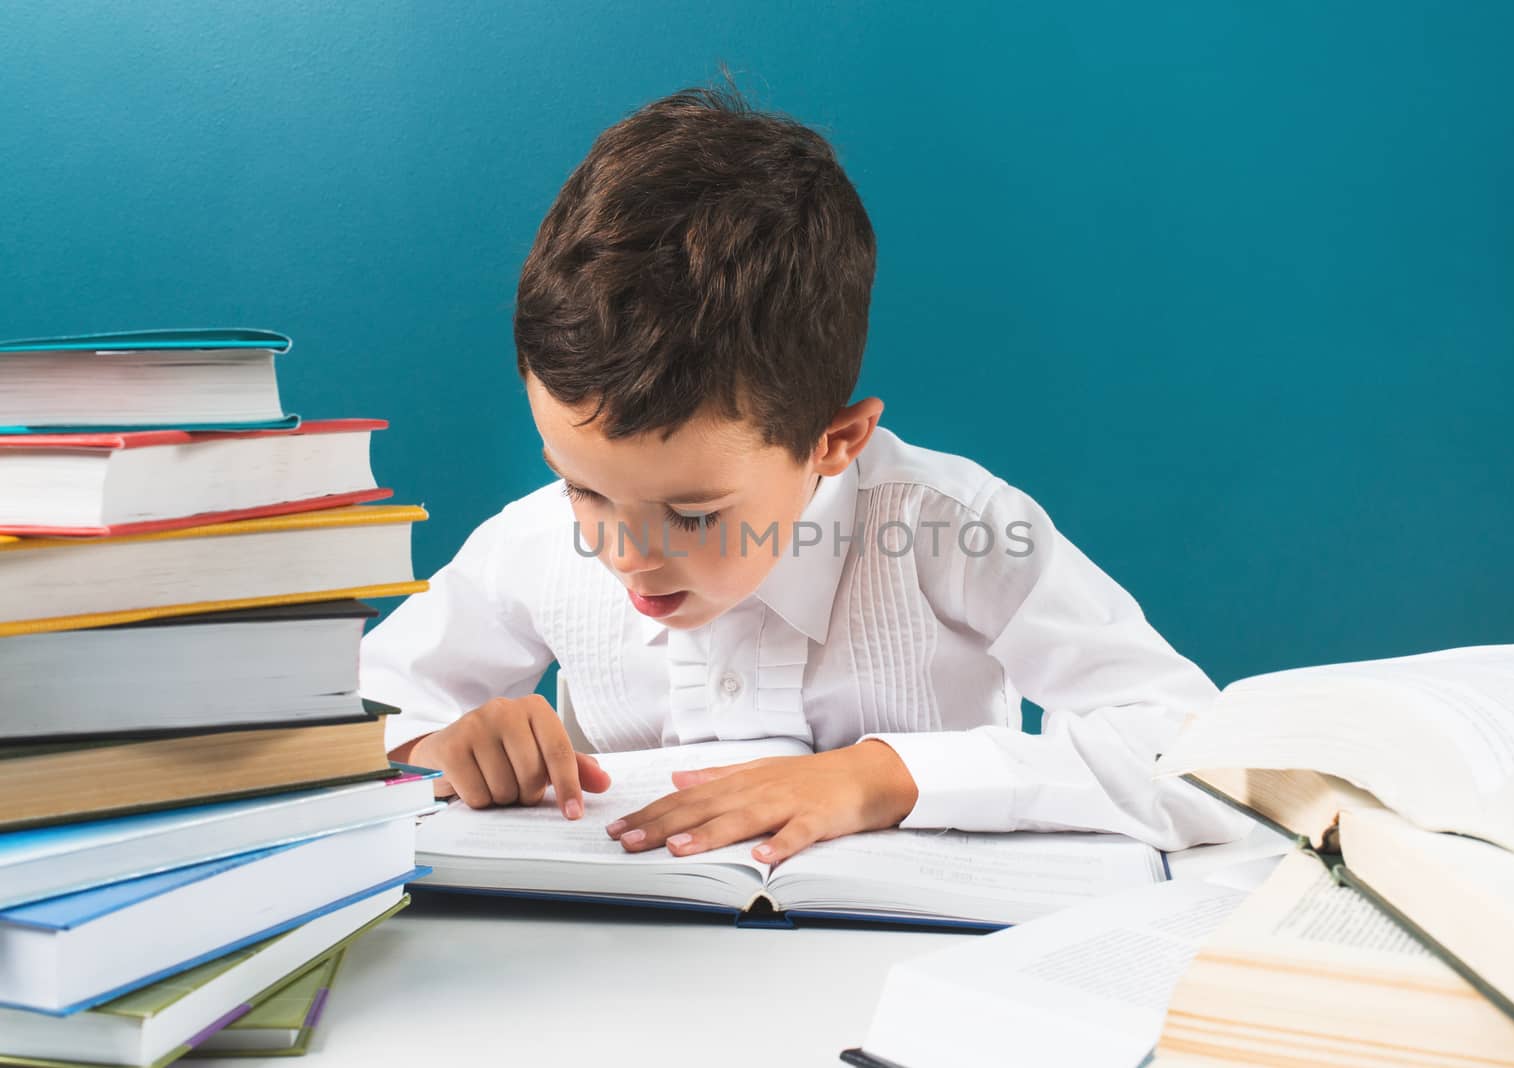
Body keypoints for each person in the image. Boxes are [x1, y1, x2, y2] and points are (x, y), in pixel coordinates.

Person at [360, 82, 1246, 866]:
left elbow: (1209, 755)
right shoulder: (533, 545)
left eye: (694, 513)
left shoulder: (950, 529)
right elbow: (342, 719)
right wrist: (436, 746)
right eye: (584, 488)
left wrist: (881, 776)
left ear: (835, 443)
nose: (619, 552)